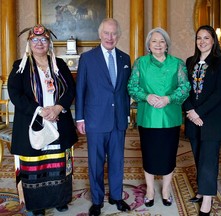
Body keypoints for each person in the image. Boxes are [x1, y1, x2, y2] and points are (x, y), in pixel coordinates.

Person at [8, 24, 78, 216]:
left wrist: (58, 107)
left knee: (59, 163)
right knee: (36, 164)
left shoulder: (59, 64)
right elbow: (15, 94)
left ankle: (60, 199)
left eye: (43, 40)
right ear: (29, 43)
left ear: (49, 43)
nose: (39, 43)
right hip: (33, 122)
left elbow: (70, 89)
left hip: (58, 120)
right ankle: (37, 203)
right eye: (35, 40)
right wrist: (38, 110)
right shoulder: (20, 66)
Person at [128, 27, 191, 207]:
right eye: (154, 41)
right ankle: (150, 189)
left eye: (162, 41)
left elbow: (185, 87)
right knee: (149, 154)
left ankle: (166, 188)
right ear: (149, 44)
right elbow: (132, 86)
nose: (158, 44)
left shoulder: (177, 63)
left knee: (168, 154)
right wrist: (146, 96)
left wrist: (168, 98)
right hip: (148, 116)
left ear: (167, 45)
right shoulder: (140, 63)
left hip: (169, 116)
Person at [75, 18, 131, 216]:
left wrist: (126, 114)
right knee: (96, 162)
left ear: (118, 36)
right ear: (100, 35)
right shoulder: (87, 58)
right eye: (106, 33)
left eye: (114, 33)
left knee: (117, 161)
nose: (110, 37)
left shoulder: (125, 58)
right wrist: (79, 118)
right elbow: (80, 89)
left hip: (118, 120)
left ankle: (116, 196)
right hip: (95, 119)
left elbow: (124, 91)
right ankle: (97, 200)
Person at [182, 25, 221, 215]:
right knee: (197, 155)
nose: (202, 42)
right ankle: (202, 190)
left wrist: (198, 112)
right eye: (199, 38)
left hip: (212, 118)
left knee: (209, 158)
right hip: (193, 117)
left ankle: (208, 199)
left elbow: (220, 92)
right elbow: (183, 88)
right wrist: (189, 109)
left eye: (206, 38)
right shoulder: (189, 62)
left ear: (213, 40)